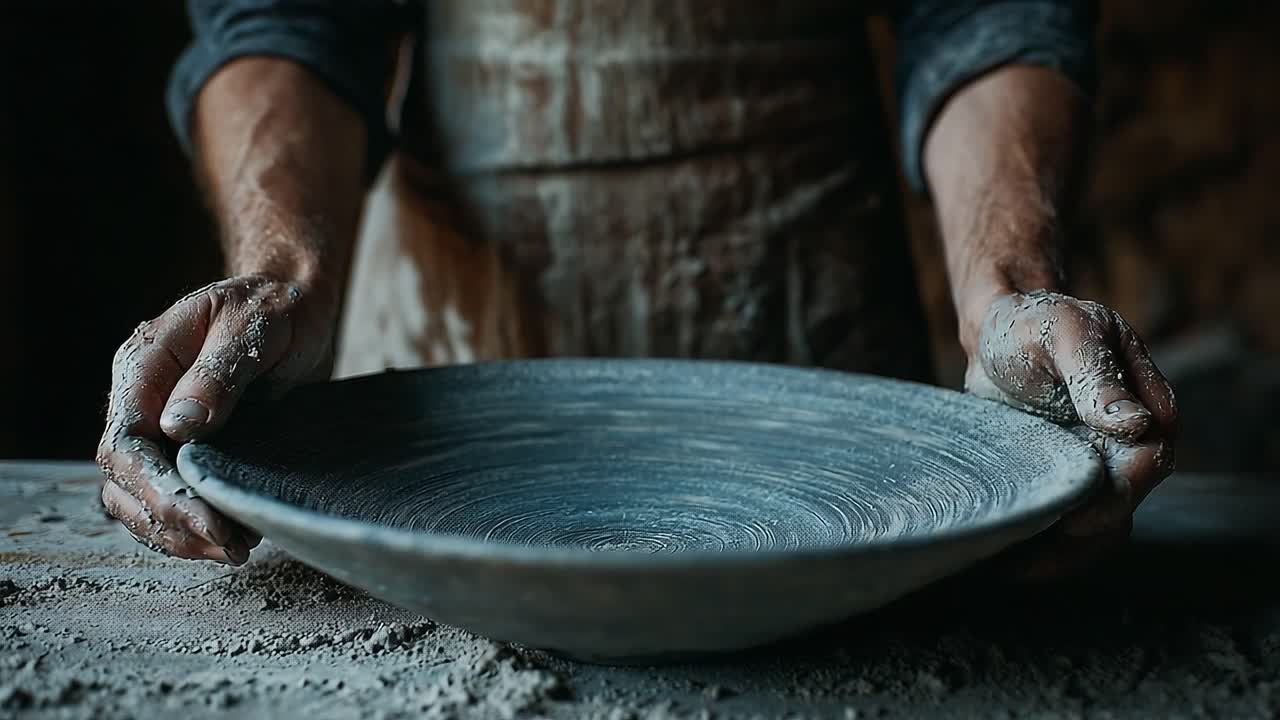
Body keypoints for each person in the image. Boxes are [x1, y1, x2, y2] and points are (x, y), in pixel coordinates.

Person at [97, 0, 1176, 576]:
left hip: (814, 337)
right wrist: (285, 273)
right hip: (440, 371)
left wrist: (1003, 290)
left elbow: (985, 14)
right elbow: (287, 19)